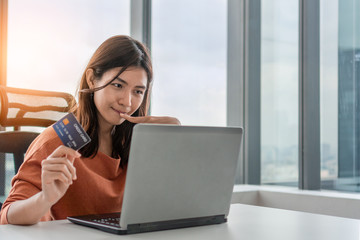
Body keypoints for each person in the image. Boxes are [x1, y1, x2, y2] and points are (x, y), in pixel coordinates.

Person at [0, 35, 180, 225]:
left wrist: (173, 146)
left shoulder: (137, 142)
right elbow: (8, 216)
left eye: (138, 91)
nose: (127, 102)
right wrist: (45, 198)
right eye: (118, 85)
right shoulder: (56, 142)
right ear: (92, 79)